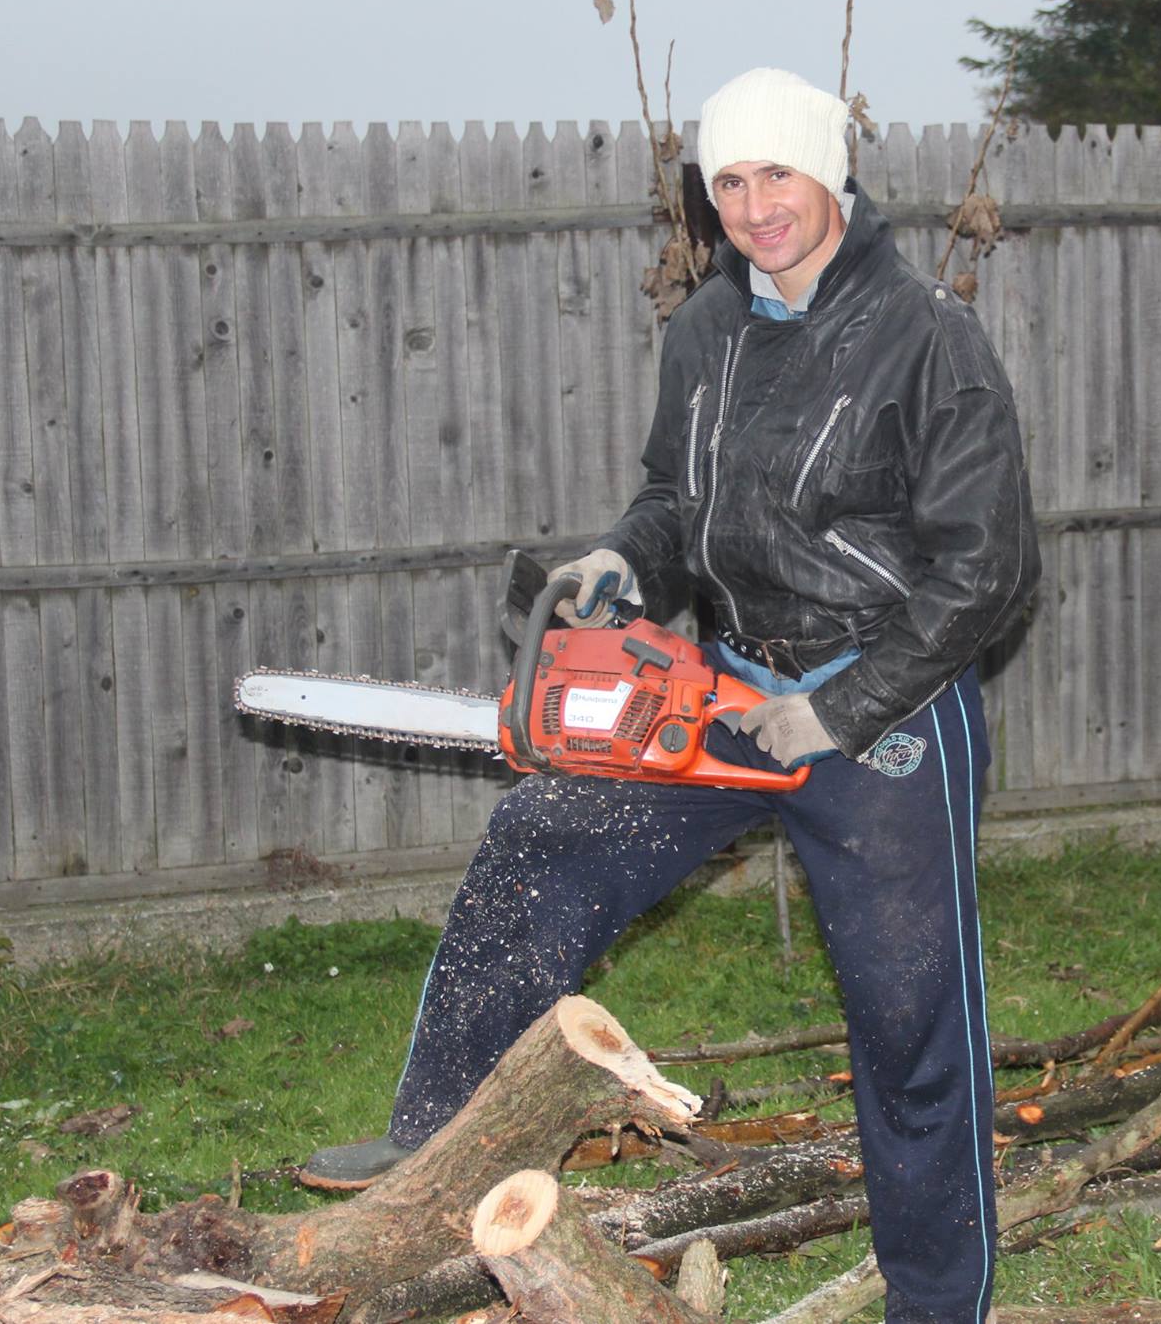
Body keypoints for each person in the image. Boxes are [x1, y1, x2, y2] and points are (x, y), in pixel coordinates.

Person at [304, 66, 1039, 1324]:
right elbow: (673, 500)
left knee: (910, 1017)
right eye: (729, 182)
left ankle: (938, 1302)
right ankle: (433, 1141)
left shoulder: (927, 335)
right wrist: (622, 559)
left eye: (777, 176)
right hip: (726, 685)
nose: (755, 207)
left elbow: (987, 574)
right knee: (544, 839)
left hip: (890, 717)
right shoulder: (706, 325)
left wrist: (844, 704)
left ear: (831, 176)